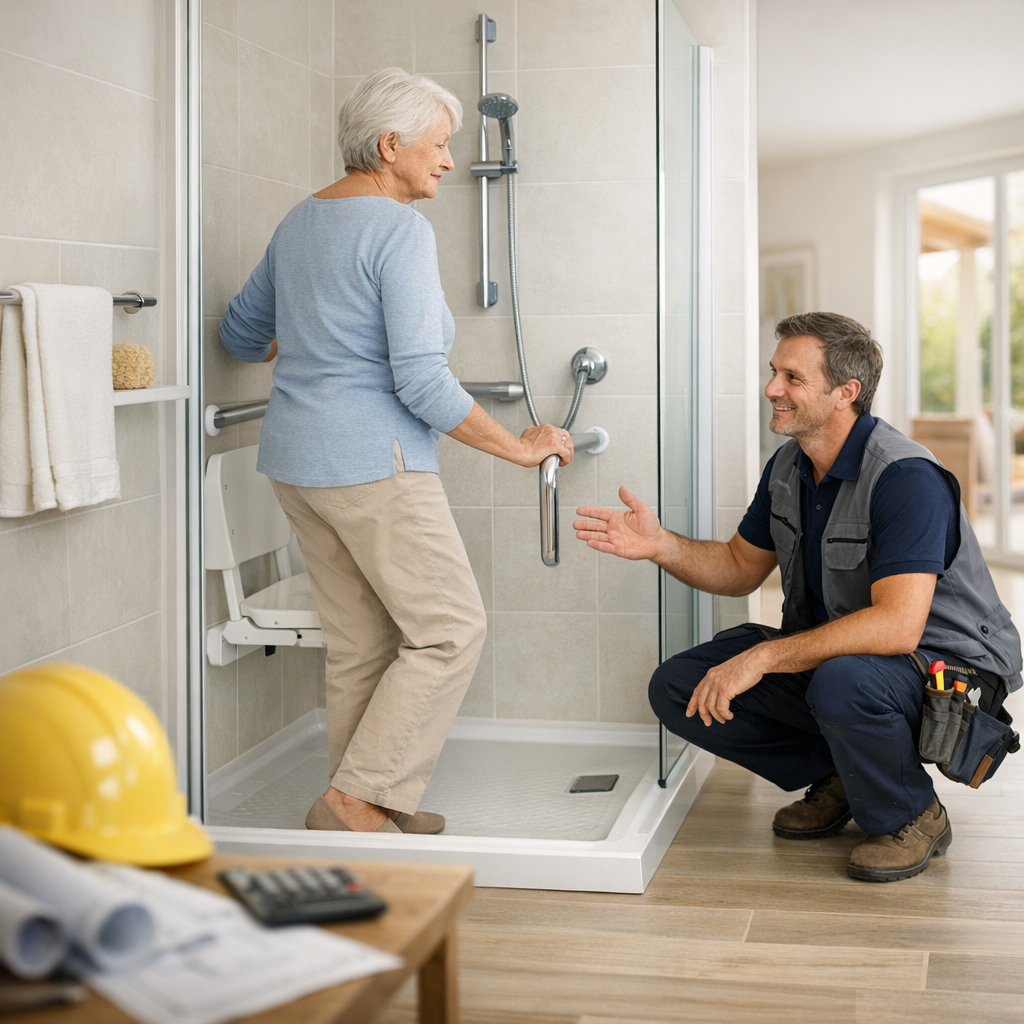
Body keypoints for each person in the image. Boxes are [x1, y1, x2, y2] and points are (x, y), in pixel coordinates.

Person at [219, 68, 573, 835]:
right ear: (390, 146)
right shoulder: (399, 230)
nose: (447, 159)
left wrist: (313, 338)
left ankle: (367, 803)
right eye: (439, 144)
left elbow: (241, 334)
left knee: (361, 644)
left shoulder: (299, 221)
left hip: (296, 464)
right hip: (373, 466)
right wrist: (516, 448)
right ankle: (354, 796)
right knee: (451, 629)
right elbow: (419, 379)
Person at [574, 311, 1022, 881]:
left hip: (949, 672)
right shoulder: (789, 467)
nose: (771, 390)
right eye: (773, 372)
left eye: (792, 378)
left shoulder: (905, 477)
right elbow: (739, 567)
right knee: (679, 686)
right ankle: (847, 773)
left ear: (846, 393)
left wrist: (761, 657)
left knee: (841, 680)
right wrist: (660, 544)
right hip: (856, 662)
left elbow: (898, 628)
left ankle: (911, 814)